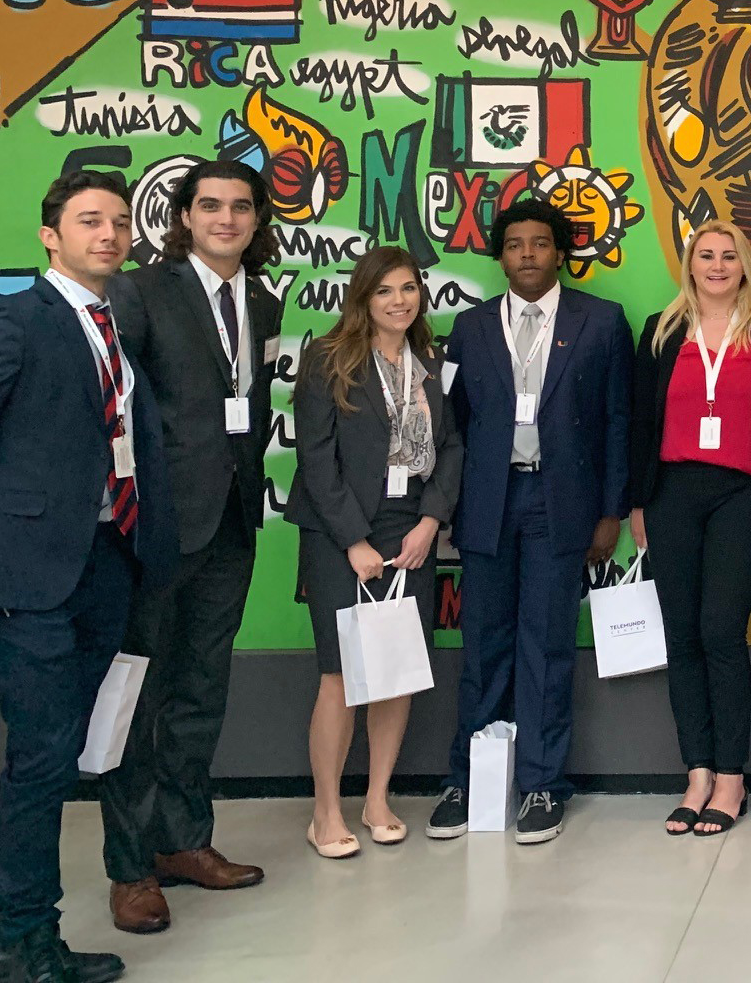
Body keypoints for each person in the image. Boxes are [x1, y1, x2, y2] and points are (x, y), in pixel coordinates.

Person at [0, 170, 178, 983]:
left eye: (121, 221)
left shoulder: (110, 327)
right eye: (90, 221)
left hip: (101, 560)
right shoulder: (16, 320)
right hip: (25, 575)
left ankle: (20, 927)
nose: (110, 234)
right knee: (46, 753)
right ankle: (15, 943)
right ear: (50, 236)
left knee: (55, 753)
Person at [99, 160, 282, 934]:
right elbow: (114, 406)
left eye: (241, 207)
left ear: (258, 218)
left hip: (236, 522)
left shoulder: (264, 299)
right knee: (139, 694)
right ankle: (131, 867)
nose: (226, 219)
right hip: (159, 527)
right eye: (210, 206)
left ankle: (184, 841)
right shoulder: (141, 292)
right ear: (183, 215)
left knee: (200, 690)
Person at [426, 200, 632, 846]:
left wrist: (610, 511)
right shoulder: (469, 327)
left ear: (559, 251)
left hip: (559, 502)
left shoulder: (600, 322)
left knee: (545, 646)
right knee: (483, 645)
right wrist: (445, 506)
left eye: (539, 244)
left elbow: (618, 422)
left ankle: (542, 783)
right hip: (488, 503)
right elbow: (451, 425)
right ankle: (468, 780)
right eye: (514, 245)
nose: (526, 256)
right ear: (500, 254)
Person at [630, 220, 751, 837]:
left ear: (744, 265)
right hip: (673, 493)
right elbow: (640, 421)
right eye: (705, 255)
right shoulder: (662, 330)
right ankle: (697, 772)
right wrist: (637, 501)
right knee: (681, 635)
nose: (716, 264)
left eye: (727, 255)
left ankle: (732, 777)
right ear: (689, 263)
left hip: (742, 494)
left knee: (721, 630)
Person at [284, 247, 462, 859]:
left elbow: (453, 446)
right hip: (340, 533)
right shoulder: (329, 359)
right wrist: (352, 541)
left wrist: (430, 520)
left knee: (396, 671)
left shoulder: (433, 363)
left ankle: (378, 797)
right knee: (338, 674)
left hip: (409, 529)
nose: (399, 301)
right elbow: (315, 457)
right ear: (362, 297)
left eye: (409, 289)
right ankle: (326, 810)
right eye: (384, 291)